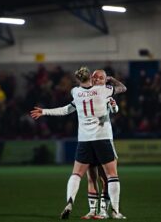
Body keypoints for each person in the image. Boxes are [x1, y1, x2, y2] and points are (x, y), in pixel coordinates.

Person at [31, 67, 127, 219]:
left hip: (84, 140)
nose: (98, 80)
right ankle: (113, 211)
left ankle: (71, 202)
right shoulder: (104, 91)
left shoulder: (76, 92)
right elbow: (123, 88)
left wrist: (45, 111)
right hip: (102, 138)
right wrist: (111, 80)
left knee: (77, 174)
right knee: (110, 176)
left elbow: (66, 110)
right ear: (91, 78)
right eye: (96, 77)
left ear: (77, 80)